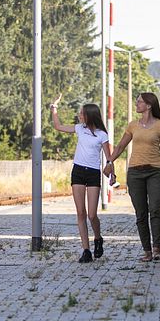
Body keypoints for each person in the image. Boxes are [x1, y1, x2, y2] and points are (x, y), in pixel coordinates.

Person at [104, 92, 160, 262]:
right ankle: (147, 251)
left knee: (155, 209)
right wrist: (109, 161)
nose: (137, 104)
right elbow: (121, 145)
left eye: (140, 102)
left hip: (155, 172)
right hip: (135, 173)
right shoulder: (132, 125)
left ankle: (157, 249)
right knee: (141, 213)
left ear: (149, 105)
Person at [50, 95, 114, 263]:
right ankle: (86, 250)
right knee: (81, 212)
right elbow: (57, 126)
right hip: (78, 171)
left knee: (92, 214)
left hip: (93, 173)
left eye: (82, 113)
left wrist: (112, 172)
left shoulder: (101, 135)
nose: (79, 115)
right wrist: (53, 108)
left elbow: (109, 157)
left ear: (90, 115)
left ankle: (98, 239)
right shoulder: (79, 128)